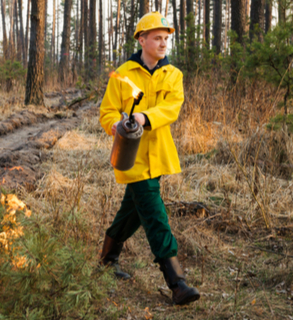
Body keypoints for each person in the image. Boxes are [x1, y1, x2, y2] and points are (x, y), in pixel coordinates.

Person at [98, 11, 200, 305]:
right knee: (155, 214)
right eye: (157, 38)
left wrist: (144, 116)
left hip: (158, 156)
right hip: (131, 158)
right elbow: (107, 112)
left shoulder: (174, 75)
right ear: (142, 40)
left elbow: (172, 109)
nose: (163, 43)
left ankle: (107, 259)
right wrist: (114, 124)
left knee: (133, 210)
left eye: (166, 38)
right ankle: (177, 282)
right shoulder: (123, 73)